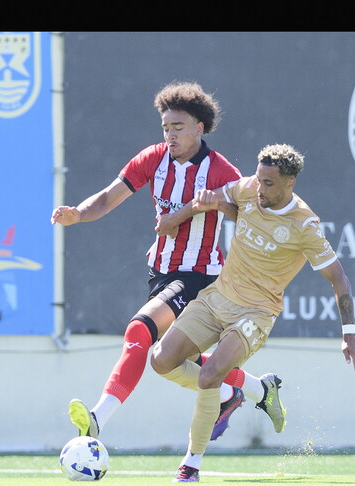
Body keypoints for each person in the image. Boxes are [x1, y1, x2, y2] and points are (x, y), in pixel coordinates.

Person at [50, 81, 287, 442]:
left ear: (199, 128)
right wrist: (77, 214)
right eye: (165, 127)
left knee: (138, 331)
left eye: (178, 127)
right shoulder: (153, 158)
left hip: (198, 276)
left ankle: (98, 419)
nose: (170, 135)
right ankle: (255, 390)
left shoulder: (221, 170)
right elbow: (108, 198)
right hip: (161, 272)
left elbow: (251, 216)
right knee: (170, 358)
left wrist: (214, 205)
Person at [151, 143, 355, 482]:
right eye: (259, 178)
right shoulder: (251, 188)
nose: (260, 186)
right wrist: (195, 209)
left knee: (209, 376)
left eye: (269, 183)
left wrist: (349, 334)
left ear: (290, 183)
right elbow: (219, 200)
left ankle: (191, 464)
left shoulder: (304, 226)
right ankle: (248, 391)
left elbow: (338, 278)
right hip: (216, 298)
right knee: (161, 360)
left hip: (255, 313)